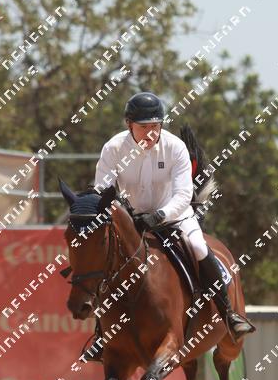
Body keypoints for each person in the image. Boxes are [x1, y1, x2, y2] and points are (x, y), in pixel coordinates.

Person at [86, 92, 254, 360]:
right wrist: (123, 213)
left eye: (156, 126)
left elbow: (184, 194)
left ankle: (228, 314)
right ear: (129, 124)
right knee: (106, 258)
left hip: (174, 217)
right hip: (132, 221)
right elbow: (102, 190)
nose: (151, 133)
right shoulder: (114, 148)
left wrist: (159, 216)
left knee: (198, 246)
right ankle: (101, 334)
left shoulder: (174, 147)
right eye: (144, 127)